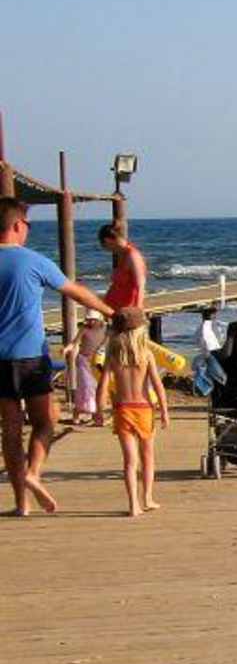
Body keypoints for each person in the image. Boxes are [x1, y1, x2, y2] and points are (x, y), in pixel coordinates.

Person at [0, 198, 116, 516]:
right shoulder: (33, 261)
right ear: (17, 225)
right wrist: (110, 312)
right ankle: (34, 473)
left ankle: (21, 504)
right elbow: (76, 292)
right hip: (30, 357)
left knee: (10, 429)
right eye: (27, 225)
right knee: (44, 422)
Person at [102, 306, 169, 516]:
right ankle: (147, 498)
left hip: (122, 409)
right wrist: (164, 410)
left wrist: (99, 409)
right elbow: (157, 385)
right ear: (141, 330)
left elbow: (102, 385)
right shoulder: (146, 355)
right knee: (147, 457)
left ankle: (133, 505)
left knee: (130, 461)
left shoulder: (113, 355)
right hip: (144, 409)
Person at [62, 310, 107, 426]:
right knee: (86, 387)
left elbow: (108, 342)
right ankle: (78, 414)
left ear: (99, 320)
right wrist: (67, 349)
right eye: (89, 320)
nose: (91, 322)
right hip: (84, 361)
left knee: (97, 388)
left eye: (93, 320)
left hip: (98, 362)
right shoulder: (84, 329)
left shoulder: (105, 329)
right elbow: (75, 343)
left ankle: (96, 416)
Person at [98, 221, 147, 310]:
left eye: (104, 246)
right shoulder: (122, 254)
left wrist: (138, 308)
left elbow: (140, 284)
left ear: (107, 240)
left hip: (126, 308)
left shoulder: (132, 255)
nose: (107, 249)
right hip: (115, 306)